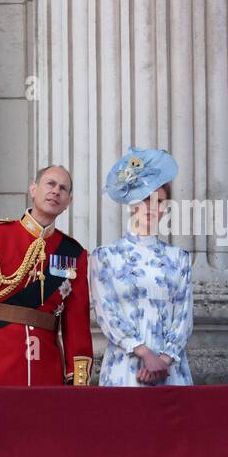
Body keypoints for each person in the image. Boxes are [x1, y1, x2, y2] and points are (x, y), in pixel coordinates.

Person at [0, 165, 93, 386]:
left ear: (68, 201)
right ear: (33, 189)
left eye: (63, 188)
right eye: (50, 184)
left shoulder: (74, 254)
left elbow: (77, 324)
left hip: (47, 369)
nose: (56, 191)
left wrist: (77, 379)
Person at [89, 148, 193, 386]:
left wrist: (163, 360)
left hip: (171, 370)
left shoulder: (180, 258)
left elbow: (184, 317)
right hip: (124, 368)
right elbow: (107, 313)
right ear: (132, 203)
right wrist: (145, 354)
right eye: (147, 199)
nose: (153, 207)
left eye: (160, 201)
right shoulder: (106, 256)